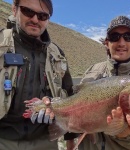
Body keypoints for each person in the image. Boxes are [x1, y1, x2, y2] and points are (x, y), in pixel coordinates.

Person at [0, 0, 77, 149]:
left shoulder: (57, 54)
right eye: (28, 11)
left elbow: (70, 94)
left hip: (45, 142)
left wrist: (70, 138)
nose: (35, 19)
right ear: (15, 9)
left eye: (42, 16)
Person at [72, 15, 130, 150]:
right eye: (115, 36)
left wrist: (127, 133)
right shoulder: (92, 70)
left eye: (128, 37)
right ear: (107, 42)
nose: (121, 43)